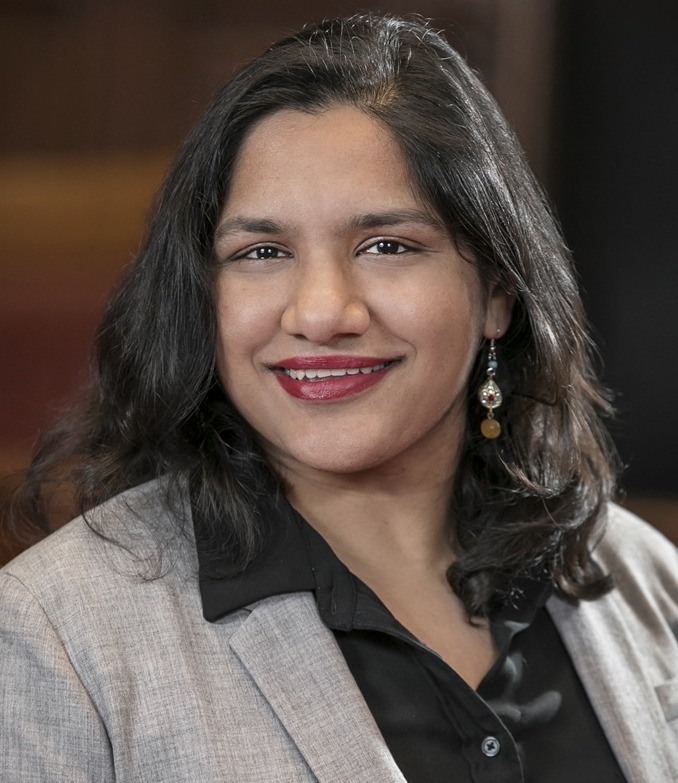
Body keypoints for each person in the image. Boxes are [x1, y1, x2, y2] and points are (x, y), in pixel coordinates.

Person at [1, 13, 677, 783]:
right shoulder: (55, 633)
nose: (321, 312)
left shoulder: (648, 584)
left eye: (386, 245)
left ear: (496, 290)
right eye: (261, 252)